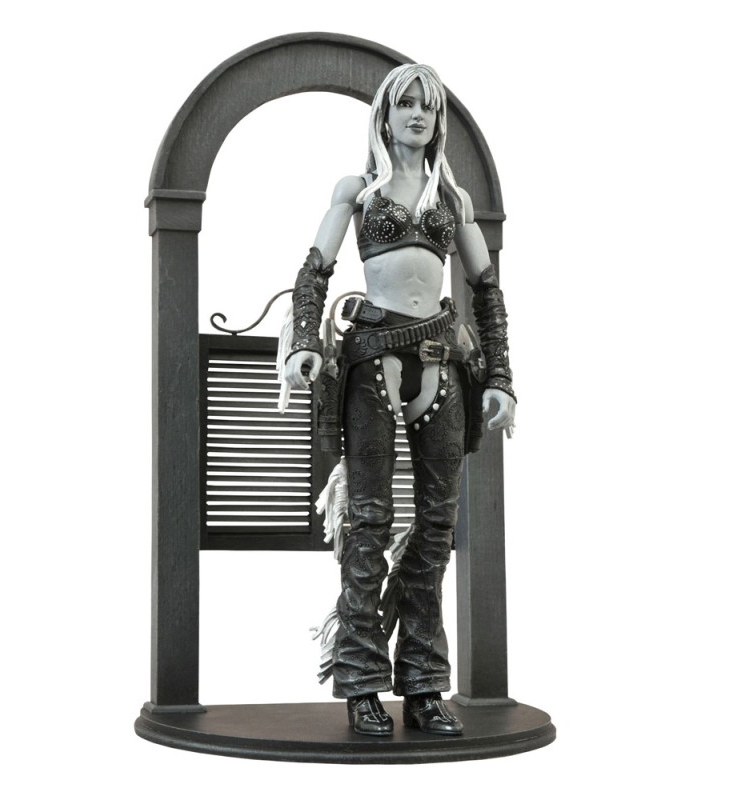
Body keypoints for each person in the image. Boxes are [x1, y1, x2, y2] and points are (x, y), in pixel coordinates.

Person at [283, 64, 516, 736]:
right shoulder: (356, 191)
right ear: (384, 116)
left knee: (437, 529)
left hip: (439, 362)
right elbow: (314, 270)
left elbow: (488, 292)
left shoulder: (453, 198)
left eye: (427, 106)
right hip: (373, 362)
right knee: (369, 523)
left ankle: (423, 682)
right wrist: (305, 340)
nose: (417, 114)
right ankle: (361, 681)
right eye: (405, 103)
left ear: (437, 120)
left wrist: (501, 377)